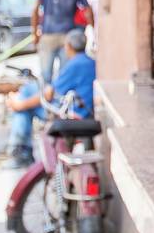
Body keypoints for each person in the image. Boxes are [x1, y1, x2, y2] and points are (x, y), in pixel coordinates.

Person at [6, 29, 96, 168]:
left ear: (68, 46)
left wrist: (19, 105)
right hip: (83, 110)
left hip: (74, 115)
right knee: (29, 91)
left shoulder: (74, 64)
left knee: (25, 108)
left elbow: (49, 94)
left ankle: (21, 151)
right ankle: (20, 149)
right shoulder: (90, 61)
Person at [34, 0, 93, 83]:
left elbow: (35, 10)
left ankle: (45, 100)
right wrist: (92, 30)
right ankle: (61, 100)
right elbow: (88, 11)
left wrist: (35, 33)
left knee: (45, 76)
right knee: (65, 75)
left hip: (48, 34)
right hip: (67, 36)